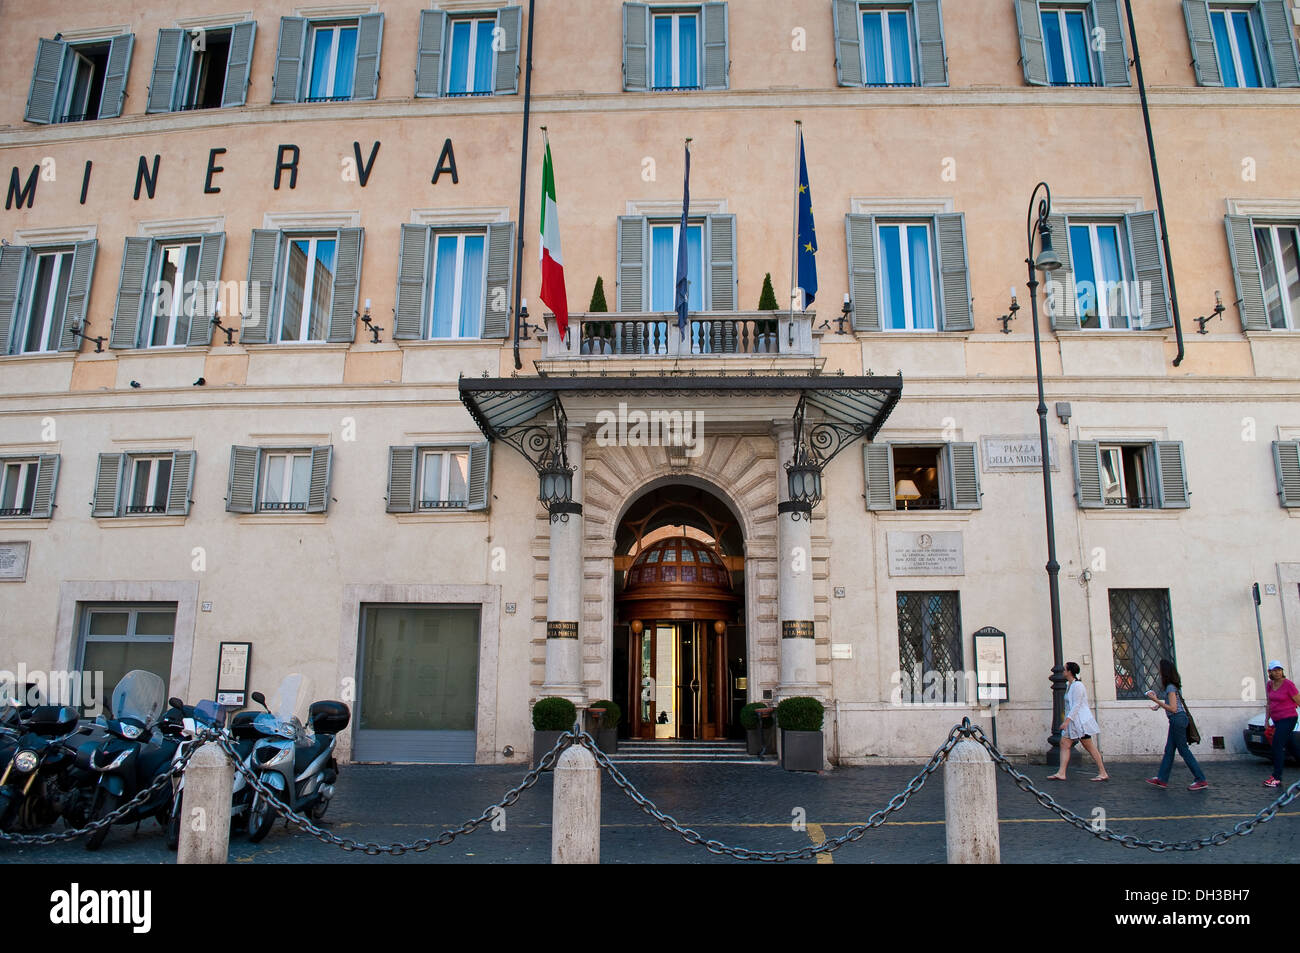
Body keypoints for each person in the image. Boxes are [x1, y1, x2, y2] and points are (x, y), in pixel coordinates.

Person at [1145, 659, 1208, 791]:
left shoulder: (1170, 688)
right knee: (1169, 750)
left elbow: (1173, 708)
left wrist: (1155, 700)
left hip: (1177, 720)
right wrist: (1158, 705)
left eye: (1160, 669)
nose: (1159, 672)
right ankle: (1162, 779)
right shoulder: (1171, 687)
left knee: (1183, 750)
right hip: (1176, 720)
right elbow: (1173, 704)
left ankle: (1201, 779)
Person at [1047, 661, 1109, 781]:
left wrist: (1066, 721)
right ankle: (1061, 772)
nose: (1063, 671)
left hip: (1080, 722)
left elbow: (1076, 705)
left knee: (1089, 746)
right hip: (1073, 722)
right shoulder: (1069, 685)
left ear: (1069, 671)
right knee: (1064, 744)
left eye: (1065, 669)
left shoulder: (1078, 686)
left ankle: (1103, 772)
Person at [1264, 660, 1300, 788]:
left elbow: (1299, 701)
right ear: (1270, 672)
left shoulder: (1289, 685)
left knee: (1277, 745)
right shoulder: (1269, 685)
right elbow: (1269, 703)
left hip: (1289, 718)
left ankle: (1276, 777)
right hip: (1277, 720)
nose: (1277, 672)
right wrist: (1266, 720)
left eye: (1279, 670)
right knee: (1293, 748)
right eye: (1274, 670)